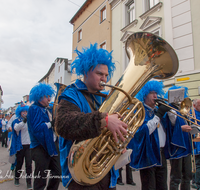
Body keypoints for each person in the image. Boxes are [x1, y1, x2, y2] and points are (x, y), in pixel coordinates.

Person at [55, 43, 128, 190]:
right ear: (86, 72)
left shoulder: (106, 97)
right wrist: (104, 120)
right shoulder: (71, 94)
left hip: (106, 172)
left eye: (106, 75)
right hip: (80, 174)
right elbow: (63, 124)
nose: (104, 79)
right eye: (99, 74)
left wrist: (119, 142)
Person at [128, 80, 188, 190]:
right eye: (152, 93)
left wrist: (170, 111)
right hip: (148, 153)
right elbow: (143, 131)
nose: (155, 95)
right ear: (145, 95)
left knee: (162, 186)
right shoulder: (140, 111)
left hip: (161, 153)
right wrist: (159, 114)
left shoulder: (157, 109)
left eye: (156, 92)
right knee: (149, 186)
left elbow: (173, 126)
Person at [27, 82, 61, 190]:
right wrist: (51, 123)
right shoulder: (34, 109)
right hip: (40, 147)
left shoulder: (46, 110)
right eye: (47, 97)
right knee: (41, 177)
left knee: (58, 173)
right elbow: (36, 128)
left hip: (51, 145)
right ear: (40, 97)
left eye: (50, 96)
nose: (49, 99)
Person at [164, 85, 192, 190]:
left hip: (186, 145)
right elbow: (172, 125)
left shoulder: (182, 111)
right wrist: (181, 128)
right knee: (176, 177)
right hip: (177, 146)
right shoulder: (171, 110)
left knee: (187, 175)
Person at [10, 104, 32, 189]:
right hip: (21, 146)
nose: (25, 113)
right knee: (19, 163)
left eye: (26, 111)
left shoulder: (29, 120)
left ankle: (29, 182)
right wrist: (23, 122)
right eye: (23, 111)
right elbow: (16, 129)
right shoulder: (17, 120)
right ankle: (16, 178)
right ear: (20, 112)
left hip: (29, 145)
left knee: (29, 164)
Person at [191, 98, 200, 190]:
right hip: (196, 143)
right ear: (194, 106)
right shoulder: (192, 114)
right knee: (198, 165)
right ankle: (197, 183)